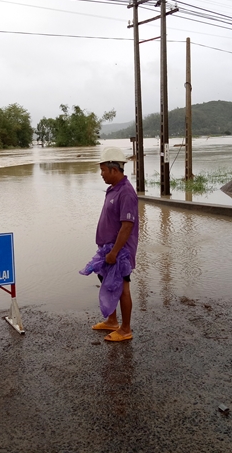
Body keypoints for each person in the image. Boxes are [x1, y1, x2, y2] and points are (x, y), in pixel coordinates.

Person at [92, 147, 139, 342]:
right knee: (108, 284)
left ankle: (125, 329)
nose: (101, 174)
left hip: (120, 252)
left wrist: (116, 252)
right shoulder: (113, 189)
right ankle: (112, 321)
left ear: (114, 169)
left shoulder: (126, 193)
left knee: (122, 288)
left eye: (103, 170)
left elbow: (127, 226)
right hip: (107, 249)